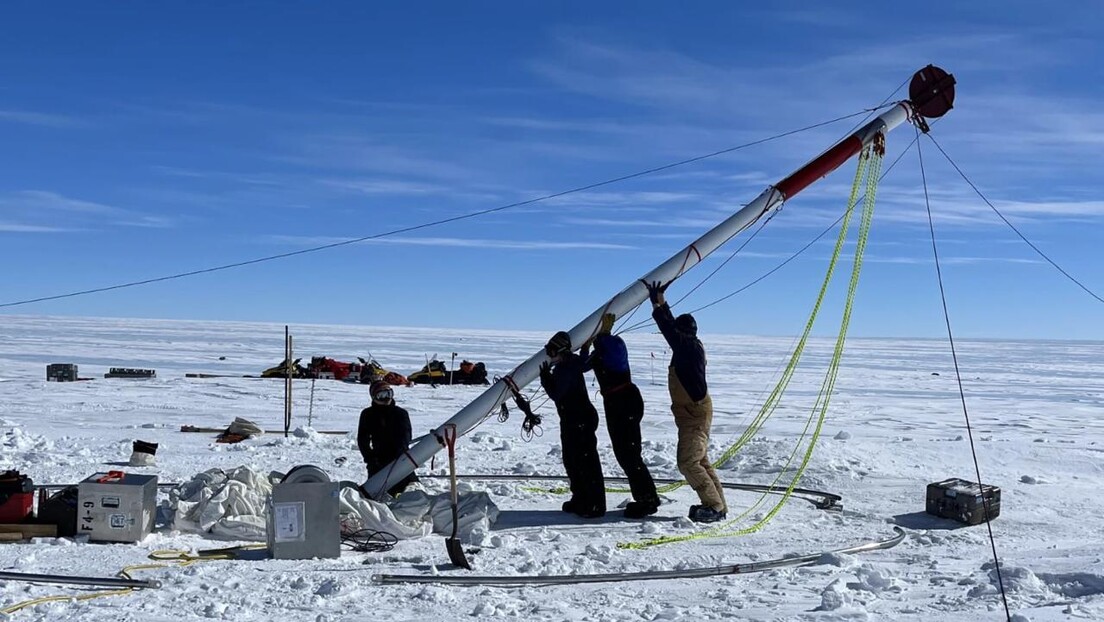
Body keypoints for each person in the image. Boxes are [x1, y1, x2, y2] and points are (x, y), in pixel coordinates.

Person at [645, 280, 728, 523]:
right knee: (699, 460)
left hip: (694, 415)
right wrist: (661, 301)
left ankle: (713, 506)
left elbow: (668, 329)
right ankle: (718, 505)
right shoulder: (689, 345)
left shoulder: (688, 348)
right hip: (693, 414)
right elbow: (672, 328)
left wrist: (656, 304)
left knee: (688, 463)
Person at [582, 313, 661, 518]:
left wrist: (604, 335)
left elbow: (612, 351)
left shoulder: (615, 345)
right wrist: (585, 346)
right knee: (624, 452)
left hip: (624, 402)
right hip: (616, 402)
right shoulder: (601, 352)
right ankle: (646, 496)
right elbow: (583, 366)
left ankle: (648, 500)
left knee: (629, 453)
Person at [539, 330, 606, 518]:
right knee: (572, 460)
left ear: (560, 351)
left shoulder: (565, 368)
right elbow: (585, 364)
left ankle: (594, 504)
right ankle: (580, 498)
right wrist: (585, 349)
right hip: (573, 419)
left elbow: (557, 394)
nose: (550, 356)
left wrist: (546, 378)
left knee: (585, 462)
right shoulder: (573, 362)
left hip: (579, 420)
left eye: (552, 351)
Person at [357, 380, 418, 497]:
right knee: (374, 494)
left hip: (400, 459)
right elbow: (362, 440)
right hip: (378, 461)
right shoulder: (368, 414)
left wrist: (401, 457)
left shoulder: (400, 413)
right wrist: (370, 459)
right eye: (381, 395)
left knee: (409, 493)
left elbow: (405, 437)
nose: (386, 398)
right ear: (374, 397)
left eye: (389, 394)